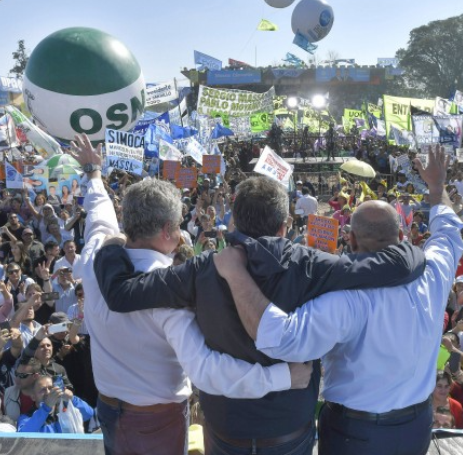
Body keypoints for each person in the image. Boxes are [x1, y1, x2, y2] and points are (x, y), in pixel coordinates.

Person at [207, 146, 460, 455]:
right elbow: (448, 232)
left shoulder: (344, 299)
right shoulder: (434, 274)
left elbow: (280, 339)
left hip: (356, 435)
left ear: (350, 240)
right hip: (417, 426)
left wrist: (235, 273)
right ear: (402, 237)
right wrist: (437, 185)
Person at [70, 134, 313, 455]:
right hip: (155, 423)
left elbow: (99, 218)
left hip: (108, 409)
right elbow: (206, 371)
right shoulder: (171, 291)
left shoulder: (95, 255)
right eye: (178, 226)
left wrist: (93, 173)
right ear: (168, 231)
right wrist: (284, 376)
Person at [17, 375, 94, 433]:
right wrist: (46, 408)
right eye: (43, 390)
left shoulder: (65, 409)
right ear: (33, 397)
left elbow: (88, 414)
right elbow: (23, 434)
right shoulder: (27, 417)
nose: (48, 392)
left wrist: (72, 399)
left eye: (50, 388)